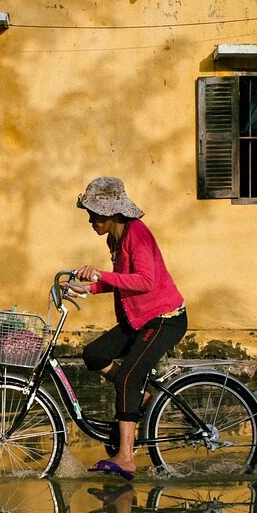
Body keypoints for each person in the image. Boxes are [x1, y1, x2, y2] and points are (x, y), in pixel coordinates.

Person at [71, 177, 187, 481]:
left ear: (111, 213)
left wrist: (101, 275)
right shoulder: (115, 239)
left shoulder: (139, 235)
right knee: (94, 354)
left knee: (127, 378)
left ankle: (126, 457)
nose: (91, 220)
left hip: (165, 318)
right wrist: (88, 289)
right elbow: (123, 281)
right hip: (138, 319)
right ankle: (144, 400)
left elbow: (145, 281)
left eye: (94, 214)